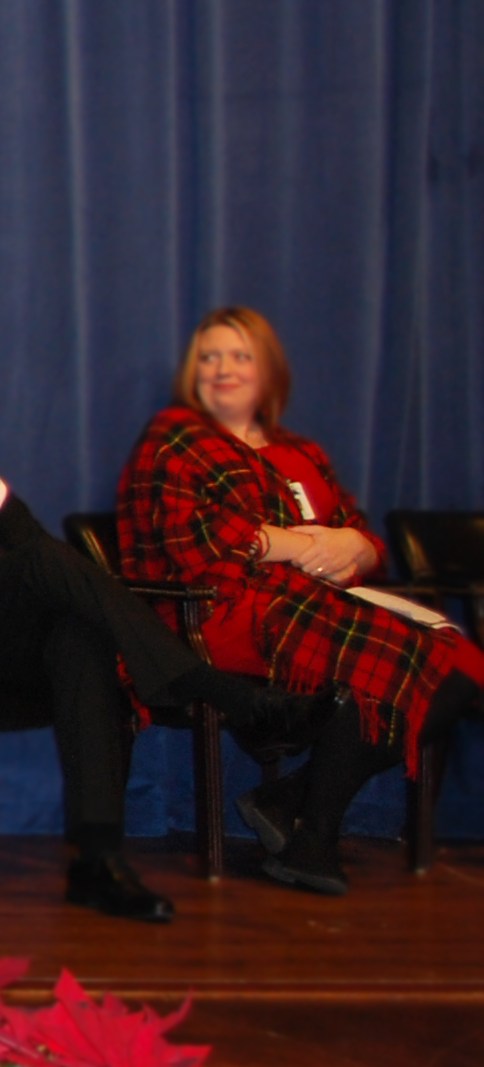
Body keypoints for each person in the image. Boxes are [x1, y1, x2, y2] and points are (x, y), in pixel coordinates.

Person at [0, 331, 316, 923]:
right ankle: (206, 685)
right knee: (54, 572)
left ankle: (99, 862)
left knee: (81, 638)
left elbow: (34, 557)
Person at [118, 307, 483, 895]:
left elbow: (361, 538)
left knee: (464, 664)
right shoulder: (175, 441)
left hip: (314, 604)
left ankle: (289, 798)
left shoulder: (300, 452)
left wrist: (354, 546)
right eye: (209, 357)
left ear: (268, 370)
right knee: (381, 661)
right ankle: (312, 841)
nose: (223, 369)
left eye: (240, 357)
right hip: (218, 612)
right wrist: (302, 543)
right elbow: (197, 548)